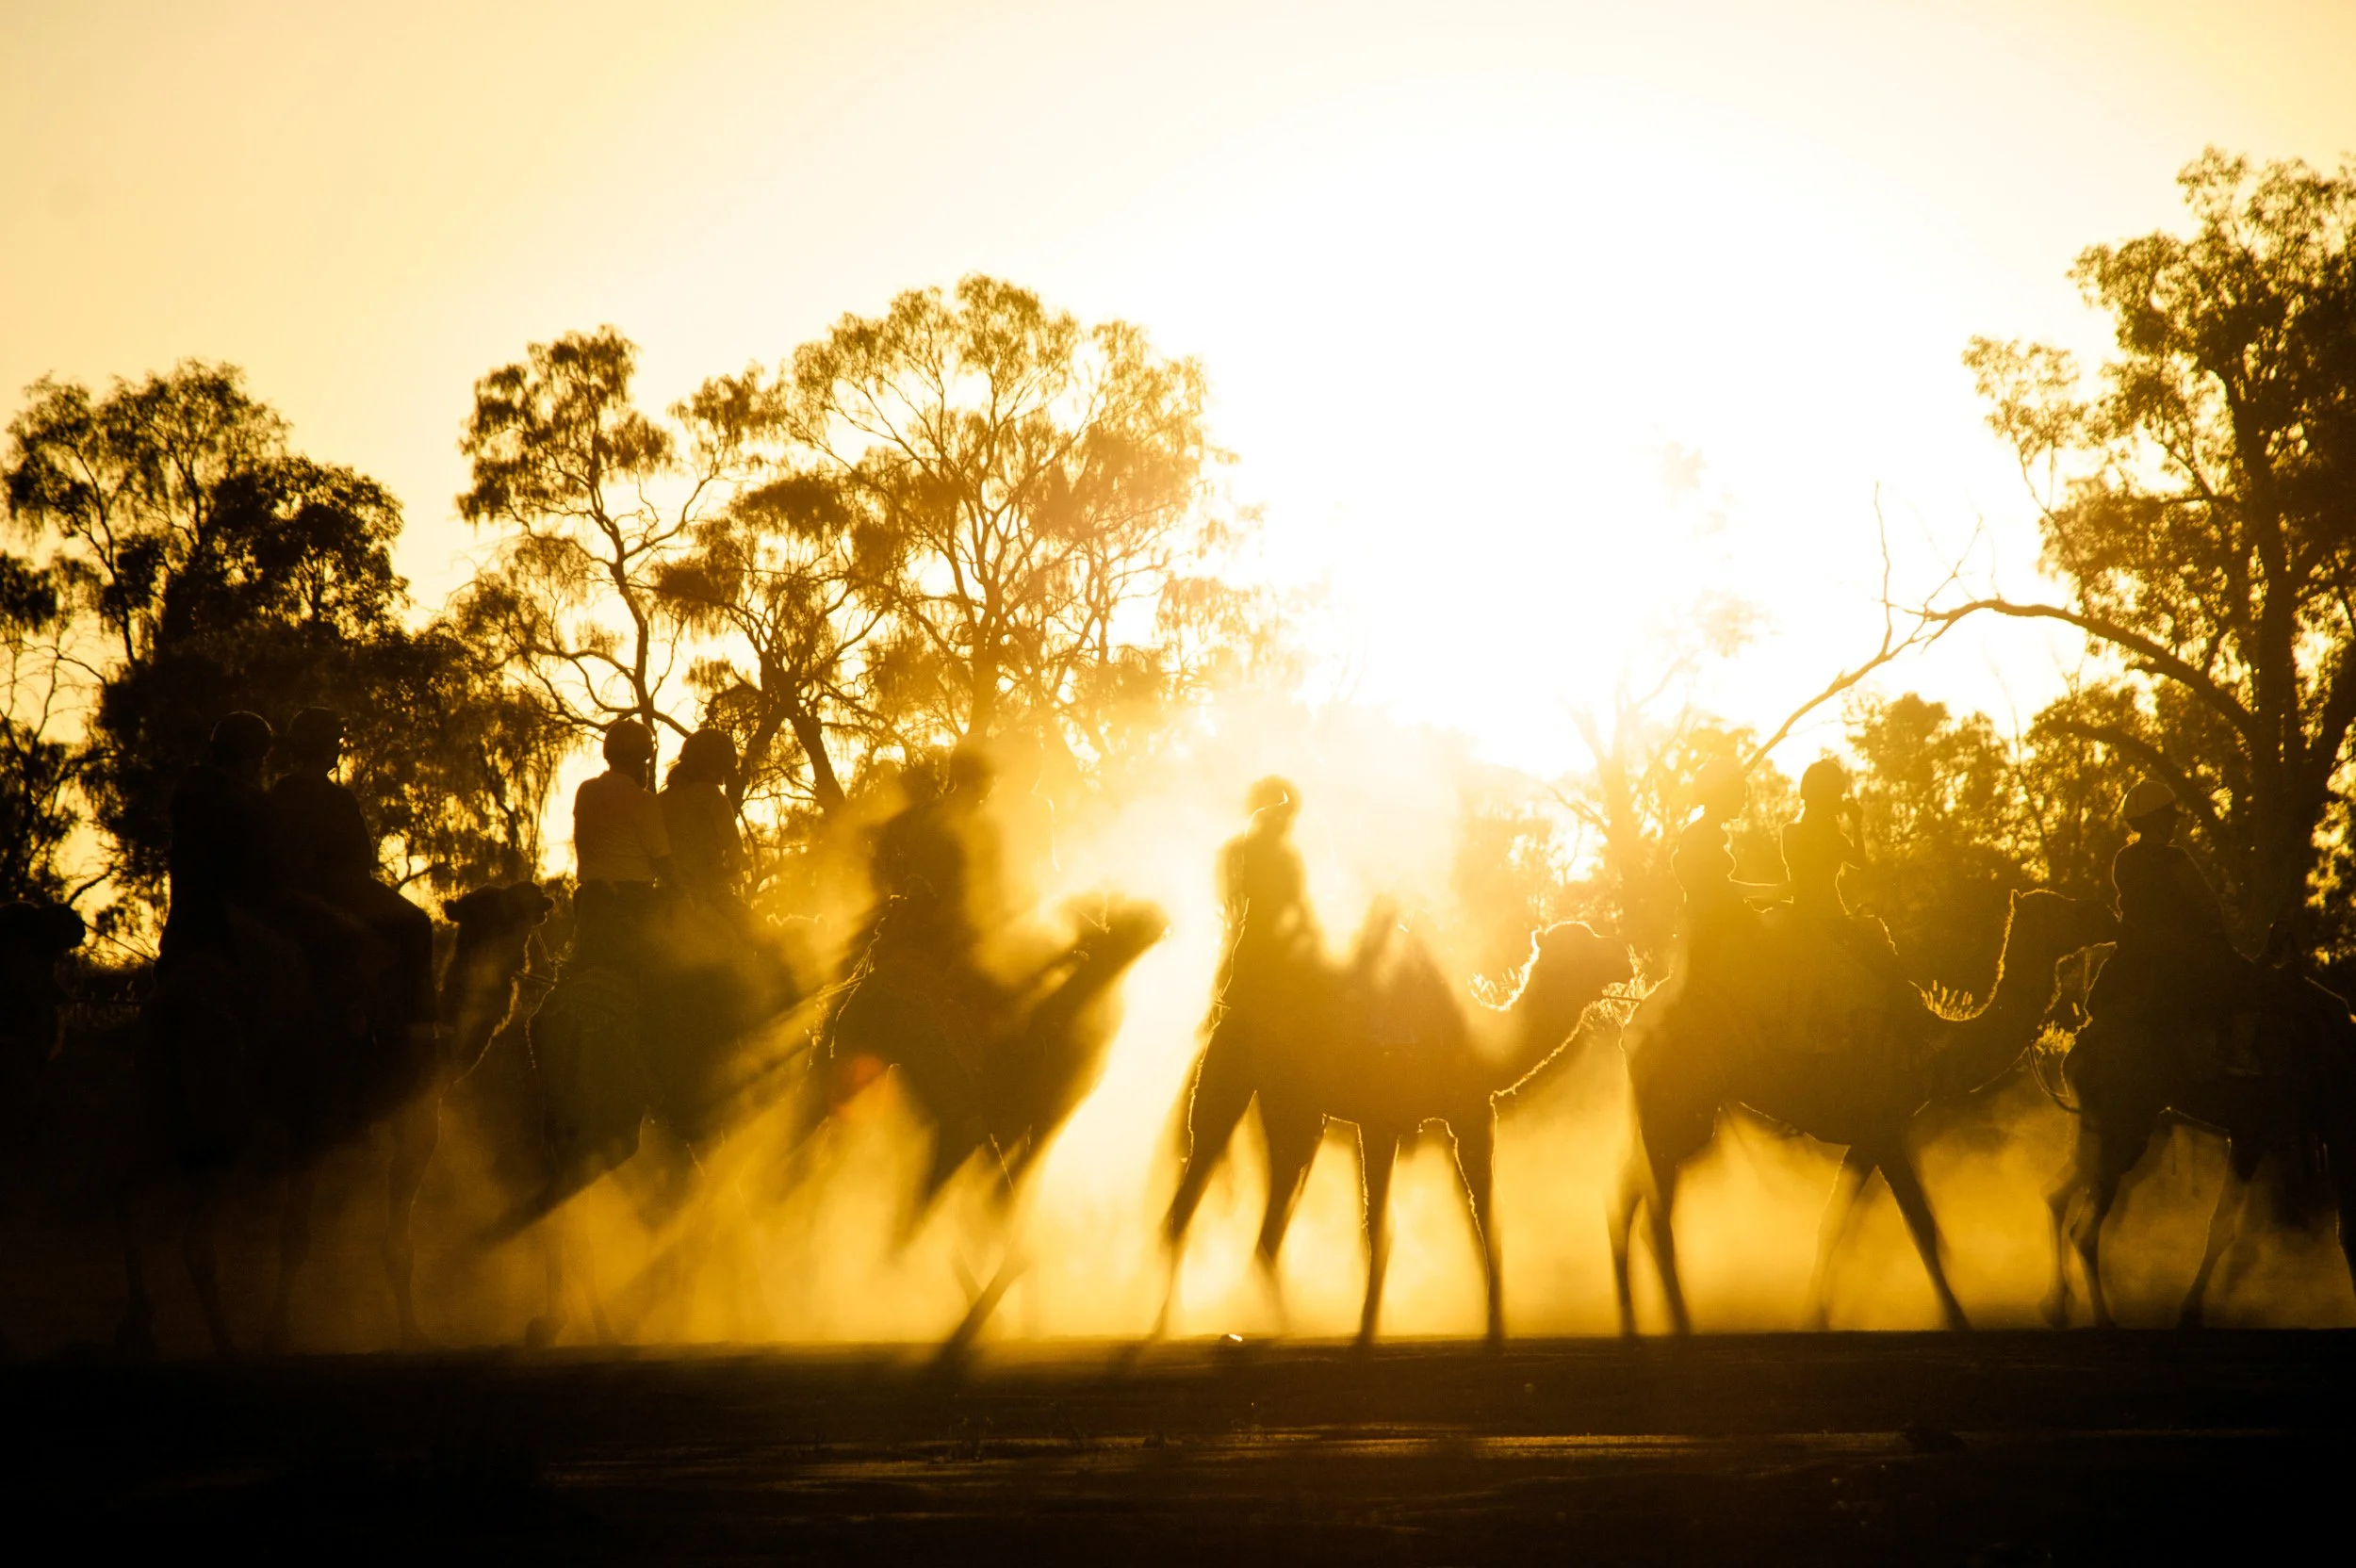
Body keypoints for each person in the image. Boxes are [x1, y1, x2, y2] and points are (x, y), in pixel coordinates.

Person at [270, 707, 437, 1048]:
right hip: (341, 889)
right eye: (335, 742)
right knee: (417, 924)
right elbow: (363, 855)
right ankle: (419, 1027)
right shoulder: (337, 798)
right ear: (328, 746)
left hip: (299, 890)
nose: (338, 748)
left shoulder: (281, 793)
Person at [2086, 776, 2250, 1080]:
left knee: (2099, 999)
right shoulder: (2176, 858)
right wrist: (2214, 934)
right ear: (2158, 818)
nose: (2173, 824)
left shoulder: (2124, 859)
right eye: (2169, 817)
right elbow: (2208, 904)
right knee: (2230, 989)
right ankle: (2228, 1055)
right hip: (2179, 951)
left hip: (2134, 952)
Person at [160, 711, 282, 967]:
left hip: (183, 929)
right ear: (254, 755)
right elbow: (267, 873)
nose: (262, 764)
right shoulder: (252, 804)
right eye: (261, 756)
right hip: (232, 933)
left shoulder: (190, 793)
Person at [572, 717, 675, 973]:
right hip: (634, 903)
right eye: (645, 761)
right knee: (672, 972)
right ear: (638, 759)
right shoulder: (642, 801)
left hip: (590, 903)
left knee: (580, 971)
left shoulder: (586, 791)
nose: (647, 768)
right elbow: (663, 860)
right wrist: (685, 892)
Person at [660, 727, 751, 932]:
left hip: (669, 894)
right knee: (771, 940)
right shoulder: (714, 798)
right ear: (714, 766)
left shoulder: (662, 799)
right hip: (713, 895)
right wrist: (742, 862)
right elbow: (734, 850)